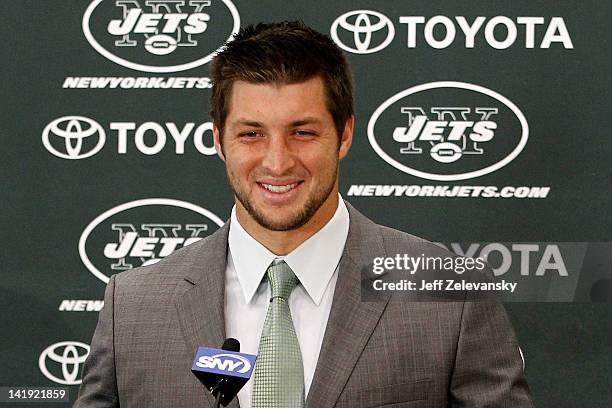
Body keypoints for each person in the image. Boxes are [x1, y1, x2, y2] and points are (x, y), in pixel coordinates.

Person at [75, 21, 532, 407]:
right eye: (251, 133)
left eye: (303, 132)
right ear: (218, 139)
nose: (277, 162)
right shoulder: (132, 307)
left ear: (345, 133)